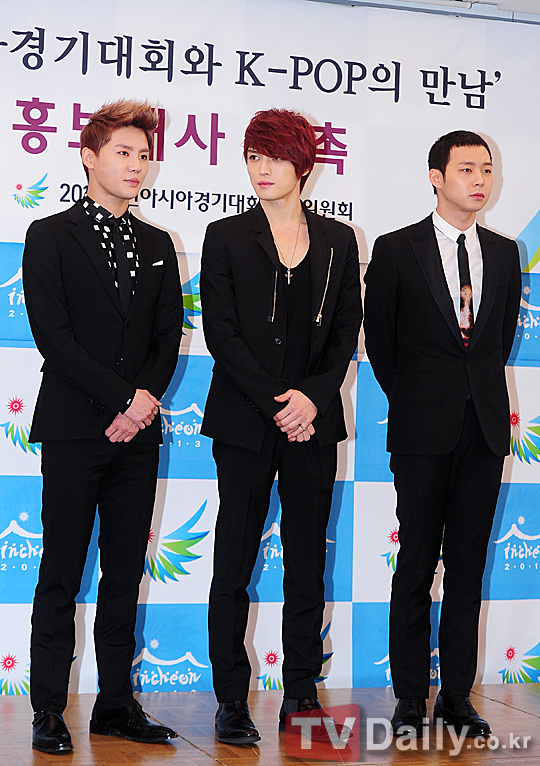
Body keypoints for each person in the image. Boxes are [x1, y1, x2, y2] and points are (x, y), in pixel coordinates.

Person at [23, 100, 183, 754]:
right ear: (89, 157)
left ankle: (116, 704)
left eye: (143, 155)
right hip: (73, 429)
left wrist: (142, 405)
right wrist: (124, 399)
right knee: (61, 572)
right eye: (123, 153)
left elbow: (168, 337)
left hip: (137, 437)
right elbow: (54, 338)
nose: (136, 165)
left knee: (123, 574)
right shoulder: (49, 235)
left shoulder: (158, 244)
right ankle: (48, 710)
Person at [200, 108, 362, 744]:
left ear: (303, 163)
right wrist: (278, 402)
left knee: (306, 563)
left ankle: (301, 693)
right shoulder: (225, 235)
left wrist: (311, 400)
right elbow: (222, 334)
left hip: (313, 424)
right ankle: (231, 701)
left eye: (274, 156)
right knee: (233, 562)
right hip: (246, 420)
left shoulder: (339, 240)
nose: (261, 168)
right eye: (253, 156)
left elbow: (346, 330)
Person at [363, 131, 521, 738]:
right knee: (415, 566)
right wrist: (416, 400)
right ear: (436, 177)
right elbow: (381, 343)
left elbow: (497, 341)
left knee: (468, 568)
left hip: (484, 431)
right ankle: (410, 698)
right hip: (421, 431)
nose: (479, 180)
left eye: (487, 170)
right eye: (466, 169)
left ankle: (457, 697)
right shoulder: (396, 249)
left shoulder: (504, 253)